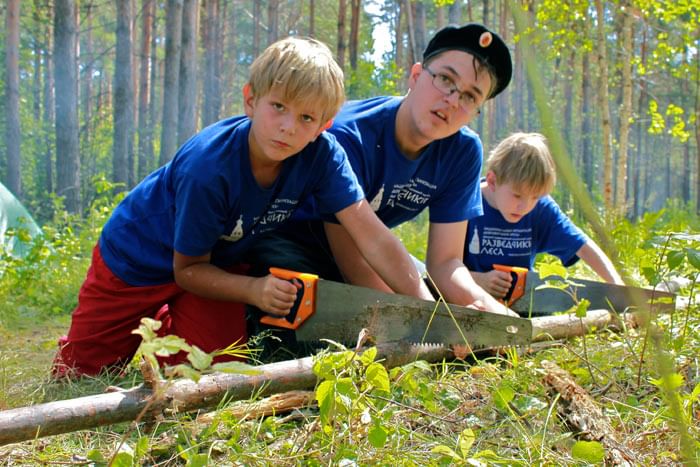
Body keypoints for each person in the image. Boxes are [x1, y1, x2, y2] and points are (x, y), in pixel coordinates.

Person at [52, 37, 432, 378]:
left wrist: (431, 312)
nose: (288, 127)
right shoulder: (209, 167)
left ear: (323, 125)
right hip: (135, 261)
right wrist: (254, 289)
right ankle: (147, 319)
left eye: (305, 118)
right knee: (79, 376)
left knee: (209, 378)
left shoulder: (323, 155)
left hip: (214, 267)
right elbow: (185, 270)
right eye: (279, 107)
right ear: (251, 100)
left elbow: (373, 236)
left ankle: (170, 324)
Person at [246, 23, 516, 318]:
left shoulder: (463, 151)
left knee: (434, 298)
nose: (452, 100)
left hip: (373, 251)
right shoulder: (349, 134)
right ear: (415, 76)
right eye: (445, 79)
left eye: (469, 96)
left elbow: (446, 262)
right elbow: (353, 263)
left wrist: (490, 310)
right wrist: (427, 320)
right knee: (310, 319)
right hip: (293, 240)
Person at [465, 132, 624, 299]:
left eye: (534, 197)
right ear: (492, 181)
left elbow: (583, 247)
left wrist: (618, 289)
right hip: (468, 302)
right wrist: (478, 280)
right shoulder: (465, 201)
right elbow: (441, 267)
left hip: (523, 305)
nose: (524, 206)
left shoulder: (541, 207)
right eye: (517, 195)